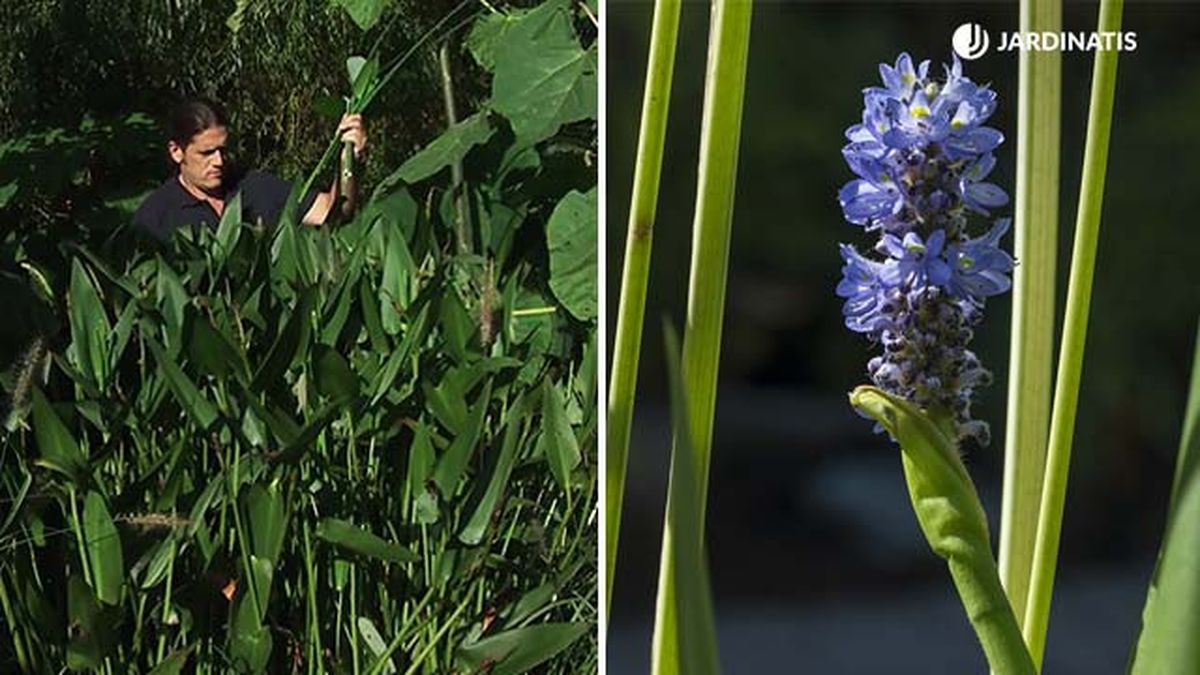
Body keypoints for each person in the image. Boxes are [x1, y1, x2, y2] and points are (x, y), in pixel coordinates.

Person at [133, 96, 367, 242]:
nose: (219, 161)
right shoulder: (155, 216)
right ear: (176, 151)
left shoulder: (254, 186)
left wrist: (348, 156)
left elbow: (331, 212)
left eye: (223, 150)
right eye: (206, 153)